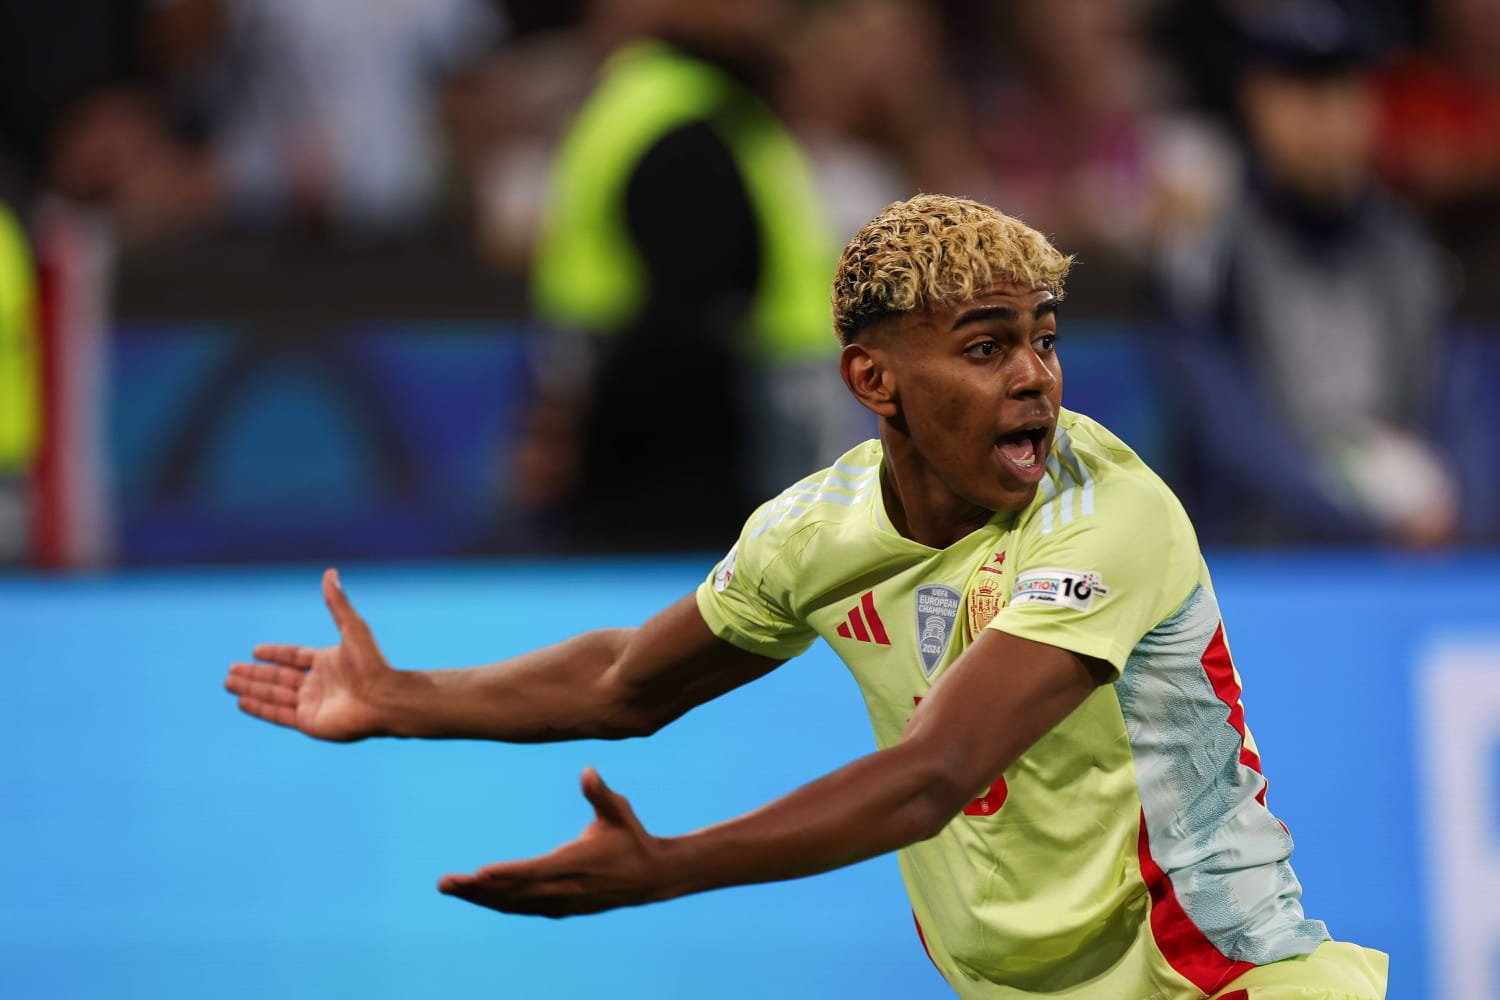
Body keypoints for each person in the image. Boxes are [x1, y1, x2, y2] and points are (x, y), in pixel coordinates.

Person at [225, 195, 1388, 999]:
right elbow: (630, 680)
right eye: (987, 348)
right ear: (872, 380)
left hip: (1226, 983)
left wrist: (674, 865)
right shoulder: (815, 533)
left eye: (1044, 337)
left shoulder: (1110, 515)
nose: (1035, 373)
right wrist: (402, 696)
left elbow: (930, 775)